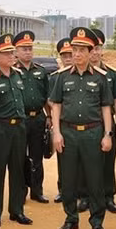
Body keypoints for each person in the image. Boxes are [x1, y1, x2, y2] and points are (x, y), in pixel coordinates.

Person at [50, 27, 113, 229]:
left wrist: (108, 134)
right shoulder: (61, 77)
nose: (76, 54)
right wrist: (56, 133)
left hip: (92, 133)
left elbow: (106, 107)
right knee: (68, 179)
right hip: (68, 133)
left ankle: (96, 220)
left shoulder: (101, 77)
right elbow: (56, 106)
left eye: (81, 50)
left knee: (95, 179)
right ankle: (71, 218)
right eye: (74, 50)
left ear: (90, 52)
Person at [0, 34, 33, 228]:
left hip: (18, 127)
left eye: (12, 52)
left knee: (18, 170)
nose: (12, 56)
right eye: (7, 53)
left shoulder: (18, 75)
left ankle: (17, 210)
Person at [12, 31, 51, 204]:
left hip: (38, 119)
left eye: (30, 48)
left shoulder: (41, 72)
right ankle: (21, 192)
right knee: (20, 158)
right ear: (16, 51)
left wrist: (49, 116)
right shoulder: (12, 72)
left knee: (37, 156)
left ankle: (37, 190)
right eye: (24, 49)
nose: (28, 52)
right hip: (20, 120)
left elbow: (47, 97)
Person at [89, 29, 116, 214]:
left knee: (108, 161)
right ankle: (86, 196)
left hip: (107, 123)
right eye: (91, 49)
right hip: (88, 123)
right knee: (87, 162)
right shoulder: (81, 73)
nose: (95, 52)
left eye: (98, 48)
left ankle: (109, 197)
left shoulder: (111, 73)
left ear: (102, 50)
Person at [49, 37, 73, 204]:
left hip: (79, 123)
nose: (68, 58)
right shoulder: (55, 77)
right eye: (65, 56)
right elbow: (50, 100)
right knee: (63, 158)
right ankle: (62, 189)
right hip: (63, 122)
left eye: (71, 54)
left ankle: (80, 190)